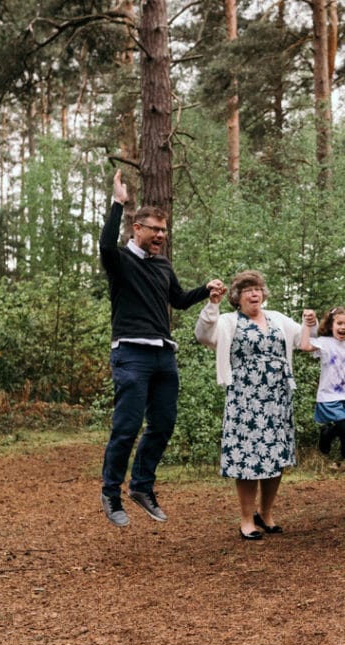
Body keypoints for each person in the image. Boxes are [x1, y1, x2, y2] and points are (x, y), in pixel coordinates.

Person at [98, 169, 225, 527]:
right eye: (155, 229)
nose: (161, 236)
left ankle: (141, 486)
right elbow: (106, 245)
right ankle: (110, 492)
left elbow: (180, 301)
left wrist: (206, 290)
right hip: (131, 354)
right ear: (137, 228)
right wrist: (118, 203)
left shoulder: (163, 266)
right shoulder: (120, 261)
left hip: (163, 355)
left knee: (163, 424)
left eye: (164, 231)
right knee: (126, 425)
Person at [194, 270, 317, 541]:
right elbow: (204, 334)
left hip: (277, 396)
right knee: (248, 457)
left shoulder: (277, 319)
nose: (254, 294)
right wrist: (212, 304)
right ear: (237, 297)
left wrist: (311, 322)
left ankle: (266, 514)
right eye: (248, 290)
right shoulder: (228, 321)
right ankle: (247, 520)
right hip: (245, 397)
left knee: (275, 455)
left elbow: (304, 340)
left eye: (258, 289)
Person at [299, 306, 345, 458]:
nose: (343, 327)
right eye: (339, 323)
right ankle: (335, 441)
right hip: (329, 396)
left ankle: (331, 433)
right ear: (331, 325)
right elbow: (305, 346)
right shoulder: (325, 343)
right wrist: (307, 325)